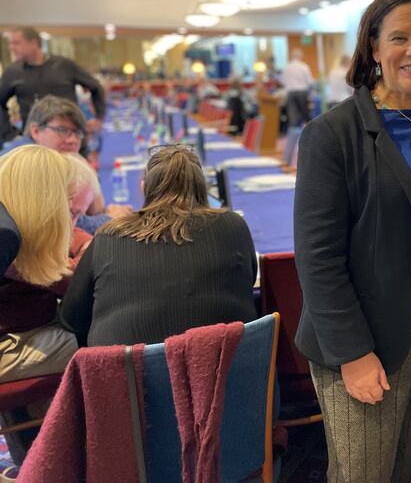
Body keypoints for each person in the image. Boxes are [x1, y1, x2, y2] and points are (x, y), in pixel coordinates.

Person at [293, 0, 411, 483]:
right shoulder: (332, 135)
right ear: (373, 46)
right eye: (399, 38)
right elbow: (318, 259)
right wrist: (353, 353)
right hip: (365, 340)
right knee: (362, 475)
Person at [59, 145, 258, 347]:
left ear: (144, 187)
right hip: (231, 373)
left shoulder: (108, 237)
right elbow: (248, 282)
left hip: (131, 376)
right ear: (202, 188)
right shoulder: (234, 225)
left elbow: (72, 319)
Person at [0, 146, 84, 466]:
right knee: (102, 339)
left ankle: (37, 457)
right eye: (63, 196)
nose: (67, 205)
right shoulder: (9, 239)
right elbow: (67, 283)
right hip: (7, 348)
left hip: (17, 336)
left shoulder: (11, 224)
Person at [5, 95, 131, 230]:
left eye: (77, 133)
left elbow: (88, 211)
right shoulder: (27, 163)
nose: (73, 140)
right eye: (63, 130)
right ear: (36, 131)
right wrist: (111, 219)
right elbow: (65, 225)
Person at [0, 27, 105, 139]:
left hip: (69, 136)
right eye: (9, 43)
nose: (11, 48)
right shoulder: (13, 72)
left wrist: (99, 117)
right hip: (34, 139)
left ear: (33, 43)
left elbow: (96, 87)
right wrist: (8, 134)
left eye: (16, 43)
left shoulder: (64, 65)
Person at [280, 48, 313, 168]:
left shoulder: (287, 67)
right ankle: (311, 138)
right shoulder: (303, 66)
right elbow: (309, 82)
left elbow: (283, 81)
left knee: (293, 121)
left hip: (291, 93)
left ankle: (289, 152)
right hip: (302, 92)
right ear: (300, 56)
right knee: (306, 118)